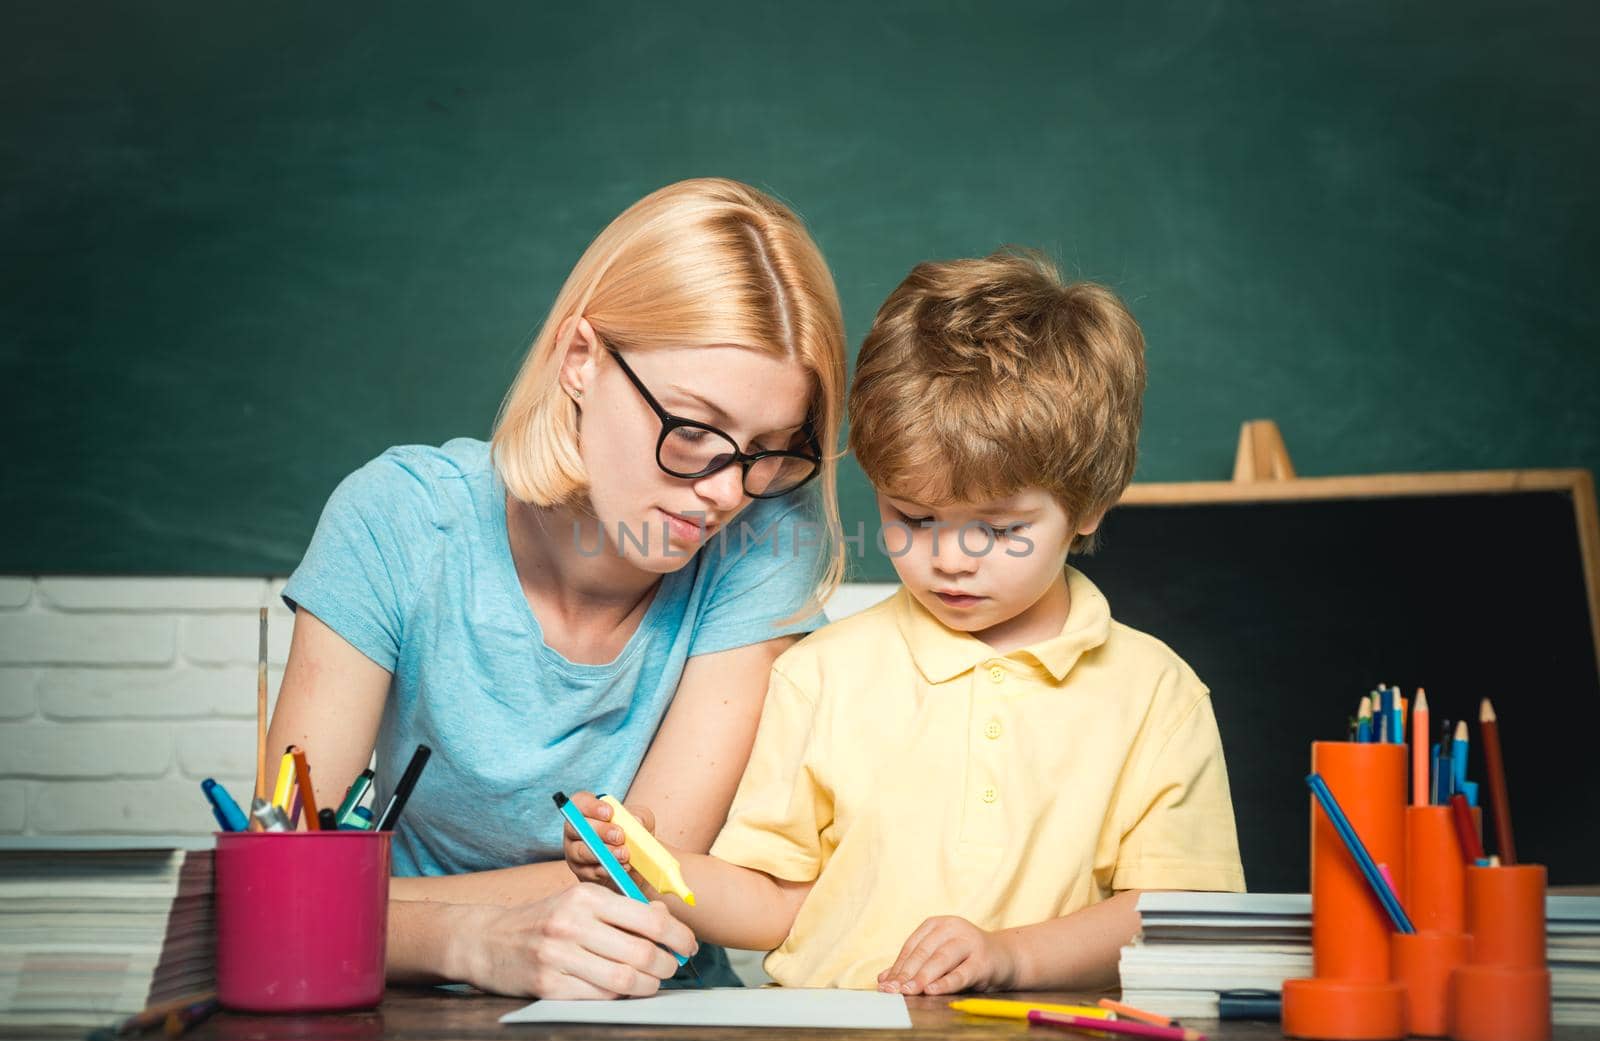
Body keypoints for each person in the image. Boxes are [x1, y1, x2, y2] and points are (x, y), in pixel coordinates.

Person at [565, 248, 1245, 992]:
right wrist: (646, 869)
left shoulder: (1154, 693)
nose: (949, 559)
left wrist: (1012, 956)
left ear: (1086, 507)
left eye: (996, 529)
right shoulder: (818, 674)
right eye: (913, 518)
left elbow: (1181, 909)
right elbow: (776, 905)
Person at [267, 178, 849, 998]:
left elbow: (640, 882)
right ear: (581, 359)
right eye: (693, 433)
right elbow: (278, 896)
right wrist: (470, 939)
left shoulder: (766, 538)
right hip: (396, 1013)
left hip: (652, 1021)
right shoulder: (398, 517)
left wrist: (367, 910)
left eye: (768, 450)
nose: (727, 491)